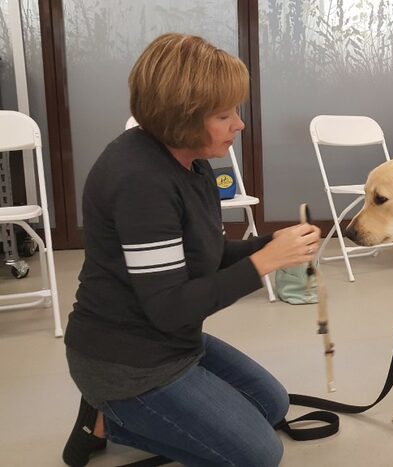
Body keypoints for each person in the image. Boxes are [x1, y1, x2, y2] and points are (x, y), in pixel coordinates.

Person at [61, 33, 321, 466]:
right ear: (181, 117)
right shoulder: (139, 180)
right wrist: (263, 263)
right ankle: (106, 418)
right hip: (127, 362)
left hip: (175, 342)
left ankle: (144, 414)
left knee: (273, 405)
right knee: (258, 456)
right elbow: (168, 306)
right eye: (224, 115)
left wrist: (271, 244)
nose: (238, 124)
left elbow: (207, 255)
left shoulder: (192, 162)